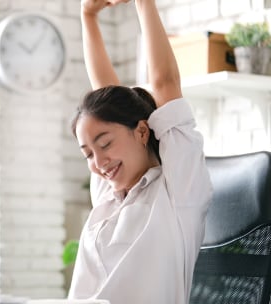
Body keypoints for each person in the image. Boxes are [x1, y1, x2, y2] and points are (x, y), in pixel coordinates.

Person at [68, 0, 213, 303]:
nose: (99, 163)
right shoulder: (108, 196)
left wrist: (143, 2)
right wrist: (88, 14)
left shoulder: (178, 191)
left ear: (142, 131)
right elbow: (105, 100)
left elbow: (165, 82)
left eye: (105, 144)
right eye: (88, 154)